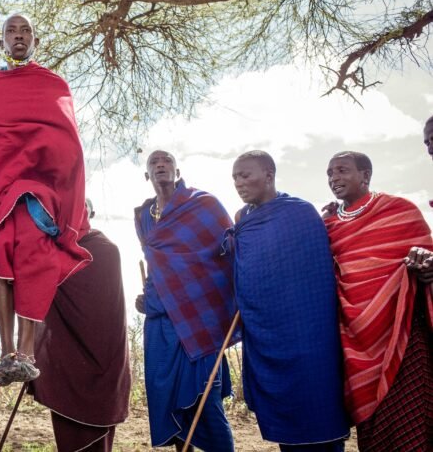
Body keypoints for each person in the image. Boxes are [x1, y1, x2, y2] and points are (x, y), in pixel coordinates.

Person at [0, 13, 92, 386]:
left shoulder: (53, 85)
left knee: (33, 253)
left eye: (26, 30)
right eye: (11, 31)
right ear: (1, 43)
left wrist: (67, 192)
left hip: (39, 192)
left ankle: (26, 352)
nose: (19, 36)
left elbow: (67, 145)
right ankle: (6, 351)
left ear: (36, 41)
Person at [227, 150, 349, 451]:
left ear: (269, 175)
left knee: (318, 403)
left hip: (309, 331)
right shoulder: (243, 220)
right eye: (234, 178)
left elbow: (317, 272)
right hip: (265, 333)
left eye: (246, 175)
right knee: (284, 414)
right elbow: (244, 269)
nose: (239, 183)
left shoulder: (300, 213)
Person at [322, 151, 433, 451]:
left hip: (402, 335)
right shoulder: (329, 226)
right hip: (356, 343)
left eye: (342, 170)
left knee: (413, 428)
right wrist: (321, 224)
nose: (334, 178)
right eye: (330, 173)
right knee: (373, 434)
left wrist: (425, 267)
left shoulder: (400, 211)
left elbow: (428, 265)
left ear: (366, 175)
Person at [133, 150, 237, 451]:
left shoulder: (203, 205)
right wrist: (149, 296)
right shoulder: (143, 216)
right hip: (161, 322)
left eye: (166, 161)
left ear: (178, 172)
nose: (160, 165)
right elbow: (157, 265)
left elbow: (229, 253)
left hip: (198, 319)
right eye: (154, 162)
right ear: (147, 175)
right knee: (169, 401)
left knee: (208, 401)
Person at [30, 200, 131, 452]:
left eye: (81, 205)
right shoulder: (50, 250)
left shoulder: (106, 250)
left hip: (104, 357)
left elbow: (106, 310)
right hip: (65, 357)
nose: (74, 209)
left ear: (91, 213)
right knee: (67, 434)